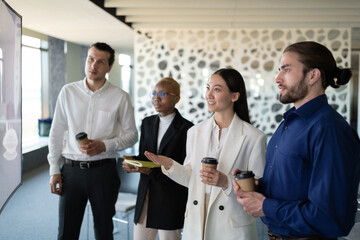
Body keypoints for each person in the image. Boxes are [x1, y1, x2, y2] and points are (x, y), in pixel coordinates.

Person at [233, 41, 360, 239]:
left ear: (313, 75)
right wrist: (257, 188)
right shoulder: (289, 124)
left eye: (286, 70)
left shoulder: (329, 130)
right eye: (278, 70)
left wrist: (266, 206)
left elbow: (331, 217)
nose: (277, 78)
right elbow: (294, 185)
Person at [145, 68, 267, 240]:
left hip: (231, 225)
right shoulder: (195, 132)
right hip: (197, 220)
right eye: (208, 87)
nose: (209, 94)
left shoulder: (254, 137)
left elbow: (258, 189)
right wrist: (169, 164)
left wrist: (226, 182)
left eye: (217, 89)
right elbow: (191, 178)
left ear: (235, 96)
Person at [48, 42, 138, 240]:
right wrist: (54, 169)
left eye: (100, 62)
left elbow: (132, 135)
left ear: (109, 67)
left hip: (104, 172)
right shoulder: (67, 92)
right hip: (70, 172)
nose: (93, 65)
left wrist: (104, 145)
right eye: (90, 59)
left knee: (104, 231)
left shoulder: (120, 97)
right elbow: (55, 133)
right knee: (66, 232)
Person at [122, 77, 193, 240]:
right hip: (146, 192)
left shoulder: (187, 128)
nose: (156, 98)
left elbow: (183, 167)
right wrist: (132, 161)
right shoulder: (147, 123)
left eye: (162, 93)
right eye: (154, 93)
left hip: (169, 197)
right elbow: (144, 155)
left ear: (176, 98)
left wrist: (149, 170)